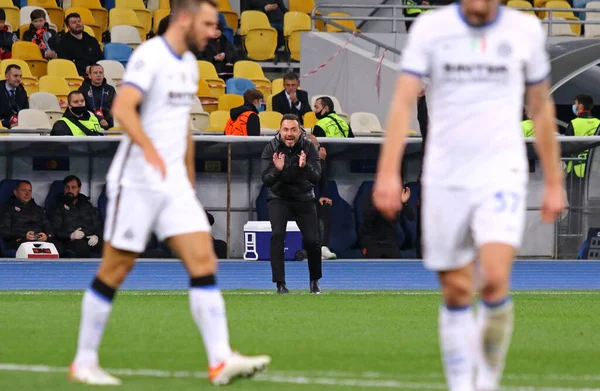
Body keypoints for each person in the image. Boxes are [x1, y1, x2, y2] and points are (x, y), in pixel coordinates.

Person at [69, 0, 270, 386]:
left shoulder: (190, 65)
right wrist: (149, 150)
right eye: (209, 24)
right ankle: (84, 360)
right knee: (115, 269)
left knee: (203, 261)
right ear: (185, 19)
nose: (215, 33)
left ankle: (220, 360)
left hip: (173, 184)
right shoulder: (152, 55)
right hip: (137, 181)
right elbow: (122, 110)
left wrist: (188, 182)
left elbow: (182, 128)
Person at [372, 0, 566, 390]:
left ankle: (487, 384)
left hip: (501, 171)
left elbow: (541, 107)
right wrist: (388, 171)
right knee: (457, 288)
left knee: (494, 279)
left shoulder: (524, 30)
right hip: (445, 175)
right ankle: (462, 384)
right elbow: (402, 100)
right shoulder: (430, 29)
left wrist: (553, 180)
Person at [261, 114, 322, 294]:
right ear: (280, 131)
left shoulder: (309, 147)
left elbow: (317, 177)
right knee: (277, 236)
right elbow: (266, 180)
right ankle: (280, 284)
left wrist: (305, 167)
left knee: (312, 240)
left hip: (304, 198)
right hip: (279, 197)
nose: (289, 133)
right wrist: (277, 170)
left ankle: (314, 282)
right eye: (286, 129)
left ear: (300, 131)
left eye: (293, 130)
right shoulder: (270, 148)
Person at [0, 180, 63, 256]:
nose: (27, 193)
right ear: (15, 192)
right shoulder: (7, 208)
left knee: (59, 247)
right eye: (24, 190)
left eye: (30, 190)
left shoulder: (38, 209)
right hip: (20, 240)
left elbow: (49, 227)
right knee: (28, 250)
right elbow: (4, 231)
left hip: (39, 241)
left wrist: (46, 235)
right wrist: (24, 235)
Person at [51, 175, 103, 258]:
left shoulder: (87, 204)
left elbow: (97, 224)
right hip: (70, 241)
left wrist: (96, 236)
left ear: (79, 189)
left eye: (73, 187)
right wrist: (70, 235)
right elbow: (55, 230)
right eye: (67, 187)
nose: (69, 190)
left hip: (90, 238)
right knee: (81, 247)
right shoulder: (58, 206)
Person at [360, 185, 415, 259]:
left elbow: (411, 217)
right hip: (372, 244)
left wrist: (404, 203)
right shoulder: (370, 199)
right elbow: (369, 215)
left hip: (390, 244)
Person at [305, 134, 335, 260]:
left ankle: (323, 247)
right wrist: (321, 162)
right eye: (315, 146)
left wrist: (322, 197)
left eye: (318, 145)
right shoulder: (298, 160)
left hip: (310, 199)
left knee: (324, 205)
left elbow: (322, 184)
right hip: (295, 200)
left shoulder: (316, 162)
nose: (318, 148)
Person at [79, 64, 116, 130]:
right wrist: (99, 119)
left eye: (101, 72)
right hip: (89, 125)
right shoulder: (83, 90)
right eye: (95, 73)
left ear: (103, 75)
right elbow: (82, 109)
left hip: (109, 125)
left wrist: (105, 119)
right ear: (90, 76)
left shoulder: (110, 89)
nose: (98, 75)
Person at [0, 64, 29, 129]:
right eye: (15, 76)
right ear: (7, 76)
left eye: (20, 76)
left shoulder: (22, 91)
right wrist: (8, 124)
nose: (19, 79)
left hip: (20, 126)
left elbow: (26, 111)